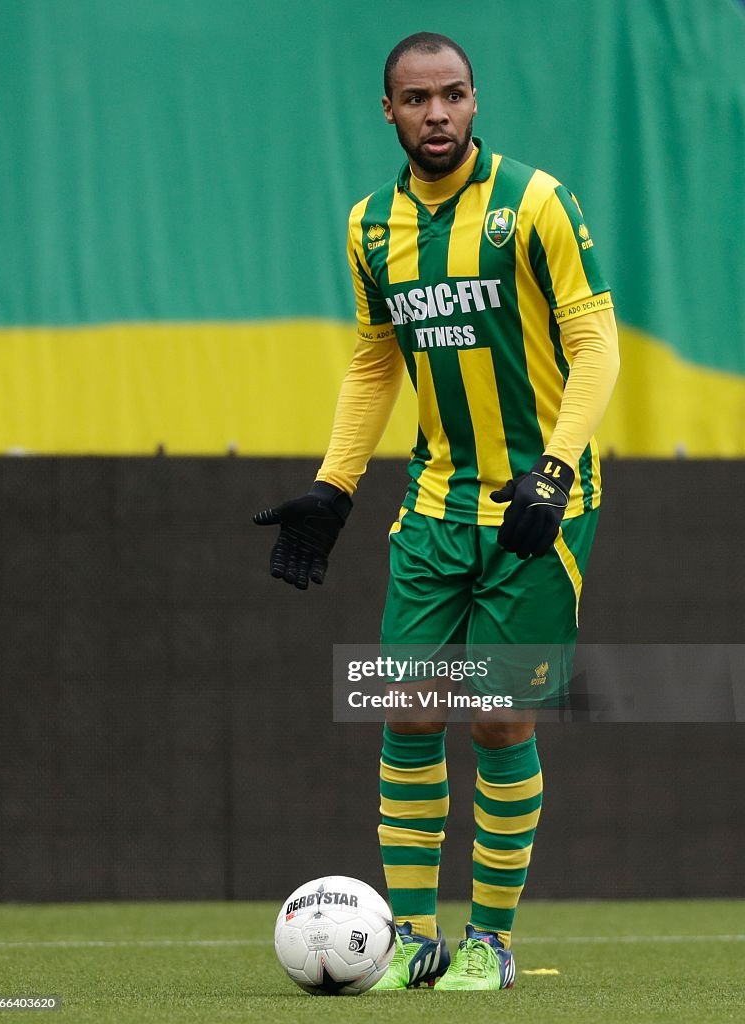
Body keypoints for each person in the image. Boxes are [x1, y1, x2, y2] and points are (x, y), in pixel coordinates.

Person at [254, 31, 619, 992]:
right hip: (432, 500)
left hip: (537, 504)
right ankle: (411, 937)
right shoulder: (371, 225)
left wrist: (552, 468)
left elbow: (596, 344)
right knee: (407, 709)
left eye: (453, 95)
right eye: (417, 100)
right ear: (390, 112)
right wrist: (336, 485)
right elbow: (378, 360)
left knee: (499, 717)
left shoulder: (534, 202)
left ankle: (491, 943)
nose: (438, 114)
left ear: (475, 99)